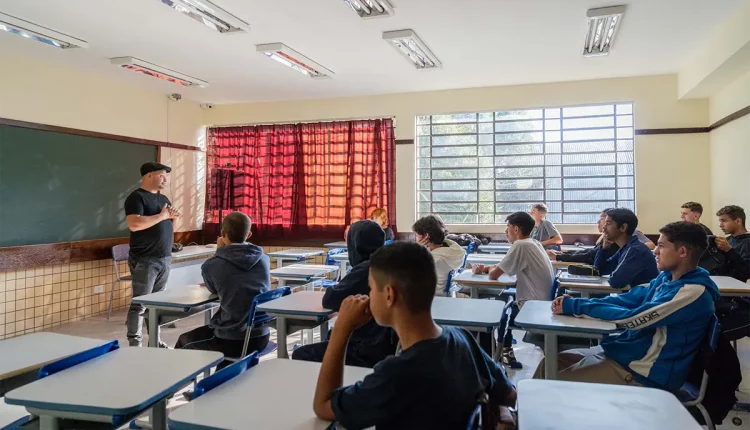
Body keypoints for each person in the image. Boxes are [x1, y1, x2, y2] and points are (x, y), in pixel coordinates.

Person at [312, 242, 517, 429]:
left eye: (372, 288)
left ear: (389, 295)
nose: (370, 295)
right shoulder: (462, 339)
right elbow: (508, 394)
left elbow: (323, 405)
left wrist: (341, 329)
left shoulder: (396, 374)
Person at [537, 222, 719, 390]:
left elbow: (633, 319)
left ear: (683, 252)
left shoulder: (692, 292)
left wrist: (576, 307)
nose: (655, 251)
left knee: (548, 387)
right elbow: (627, 299)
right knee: (549, 364)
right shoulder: (666, 278)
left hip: (644, 372)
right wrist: (578, 303)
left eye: (661, 246)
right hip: (624, 355)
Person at [293, 220, 397, 367]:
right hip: (383, 344)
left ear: (354, 245)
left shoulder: (366, 269)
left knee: (301, 354)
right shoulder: (388, 264)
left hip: (365, 348)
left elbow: (330, 299)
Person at [174, 212, 270, 364]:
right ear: (249, 234)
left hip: (232, 338)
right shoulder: (264, 259)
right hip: (261, 335)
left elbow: (213, 289)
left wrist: (219, 252)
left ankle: (179, 385)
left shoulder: (213, 264)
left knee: (184, 340)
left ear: (223, 233)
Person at [472, 212, 554, 368]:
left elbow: (494, 275)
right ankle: (505, 352)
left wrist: (487, 270)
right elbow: (503, 268)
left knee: (484, 313)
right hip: (540, 302)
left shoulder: (520, 245)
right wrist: (488, 268)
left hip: (531, 307)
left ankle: (487, 362)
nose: (505, 231)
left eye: (507, 227)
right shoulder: (533, 243)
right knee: (501, 302)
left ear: (516, 229)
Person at [124, 162, 181, 347]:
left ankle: (155, 341)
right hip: (145, 259)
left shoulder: (164, 199)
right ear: (148, 175)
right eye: (161, 175)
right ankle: (135, 343)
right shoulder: (136, 198)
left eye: (166, 176)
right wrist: (162, 216)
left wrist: (173, 218)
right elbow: (134, 224)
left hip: (164, 257)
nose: (165, 179)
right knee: (140, 303)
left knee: (156, 304)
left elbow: (169, 227)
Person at [594, 208, 658, 289]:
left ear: (623, 227)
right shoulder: (625, 248)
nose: (604, 228)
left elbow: (616, 281)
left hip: (639, 299)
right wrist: (603, 249)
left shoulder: (634, 250)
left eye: (608, 223)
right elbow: (600, 270)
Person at [412, 215, 466, 295]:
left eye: (416, 235)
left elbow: (406, 276)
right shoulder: (454, 251)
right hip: (447, 295)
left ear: (426, 236)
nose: (415, 238)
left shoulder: (432, 259)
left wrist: (415, 250)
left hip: (429, 297)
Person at [548, 209, 619, 265]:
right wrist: (562, 253)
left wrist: (558, 257)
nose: (598, 221)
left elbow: (589, 257)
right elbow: (589, 252)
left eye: (602, 219)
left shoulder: (613, 242)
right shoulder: (606, 240)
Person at [712, 205, 750, 281]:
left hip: (737, 289)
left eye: (724, 221)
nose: (720, 225)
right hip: (720, 283)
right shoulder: (727, 240)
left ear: (738, 221)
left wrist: (729, 250)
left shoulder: (748, 242)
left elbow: (747, 271)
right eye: (720, 221)